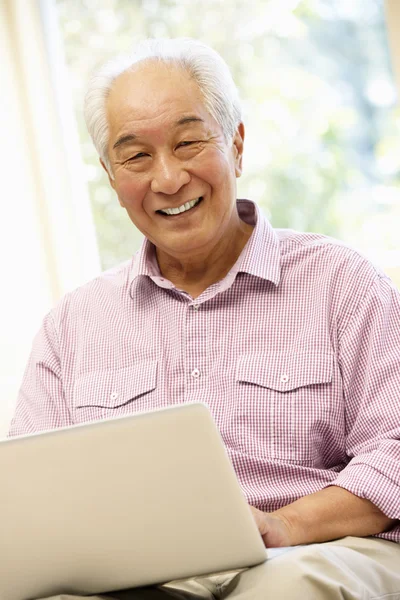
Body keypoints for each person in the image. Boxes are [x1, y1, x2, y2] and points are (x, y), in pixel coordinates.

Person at [9, 38, 400, 600]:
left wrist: (288, 523)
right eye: (136, 156)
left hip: (312, 551)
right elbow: (29, 496)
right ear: (111, 176)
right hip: (139, 576)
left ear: (237, 144)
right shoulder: (72, 326)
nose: (168, 179)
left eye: (189, 142)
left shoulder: (341, 282)